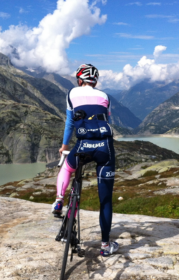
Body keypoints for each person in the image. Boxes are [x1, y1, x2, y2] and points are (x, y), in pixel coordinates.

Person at [51, 64, 119, 257]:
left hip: (83, 146)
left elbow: (70, 123)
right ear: (95, 81)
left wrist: (64, 147)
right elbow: (107, 121)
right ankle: (105, 246)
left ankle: (59, 200)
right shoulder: (105, 96)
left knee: (67, 168)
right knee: (105, 201)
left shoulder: (71, 93)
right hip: (105, 148)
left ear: (79, 79)